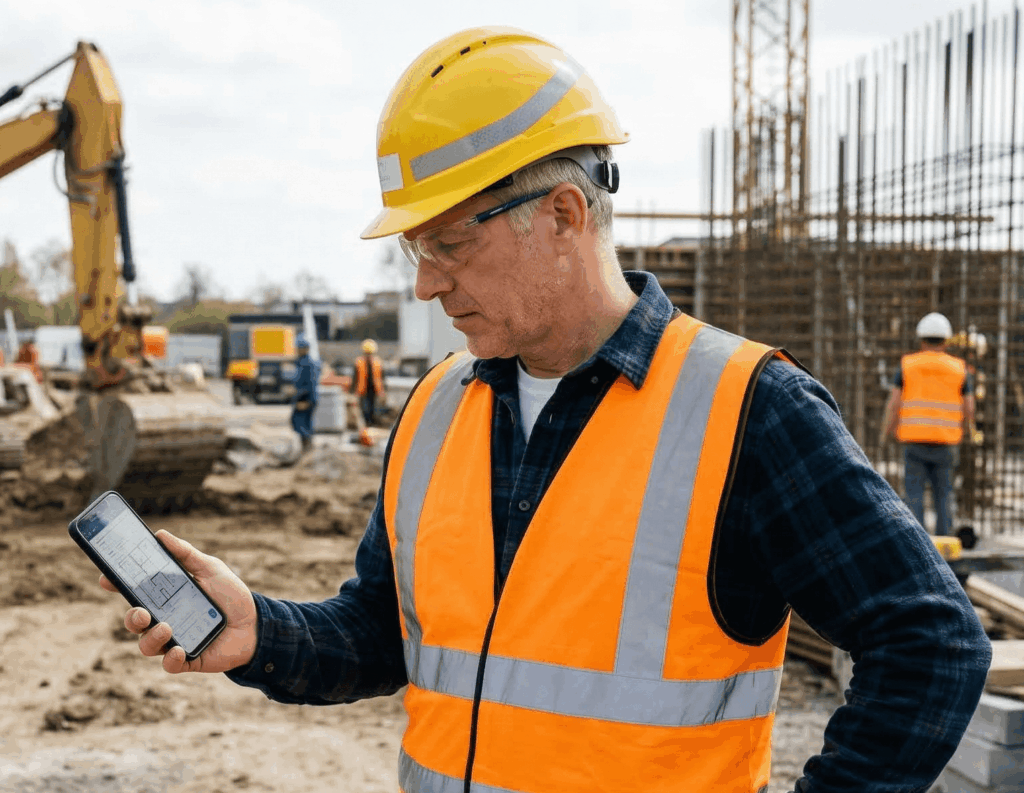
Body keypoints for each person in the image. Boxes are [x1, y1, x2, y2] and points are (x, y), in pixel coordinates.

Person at [105, 27, 989, 793]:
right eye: (416, 248)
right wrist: (262, 629)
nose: (425, 281)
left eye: (450, 242)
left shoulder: (747, 409)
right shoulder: (436, 410)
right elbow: (386, 633)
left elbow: (931, 643)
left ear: (563, 213)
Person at [881, 312, 975, 537]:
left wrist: (888, 431)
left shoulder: (907, 365)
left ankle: (918, 547)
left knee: (913, 498)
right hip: (946, 443)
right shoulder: (959, 368)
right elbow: (969, 407)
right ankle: (946, 550)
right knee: (944, 497)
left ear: (921, 338)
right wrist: (969, 430)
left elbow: (894, 403)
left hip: (913, 442)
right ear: (946, 340)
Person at [289, 333, 320, 453]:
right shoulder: (301, 362)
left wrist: (308, 401)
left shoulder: (309, 364)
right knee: (297, 423)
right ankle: (306, 450)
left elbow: (311, 384)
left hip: (306, 398)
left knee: (302, 425)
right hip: (300, 398)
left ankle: (308, 451)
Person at [351, 338, 385, 426]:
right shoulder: (359, 362)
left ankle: (372, 423)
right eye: (367, 353)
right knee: (364, 409)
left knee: (374, 409)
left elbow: (382, 377)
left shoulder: (378, 362)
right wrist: (352, 391)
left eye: (370, 353)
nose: (369, 355)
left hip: (374, 389)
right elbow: (355, 377)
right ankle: (366, 424)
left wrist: (384, 391)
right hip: (363, 389)